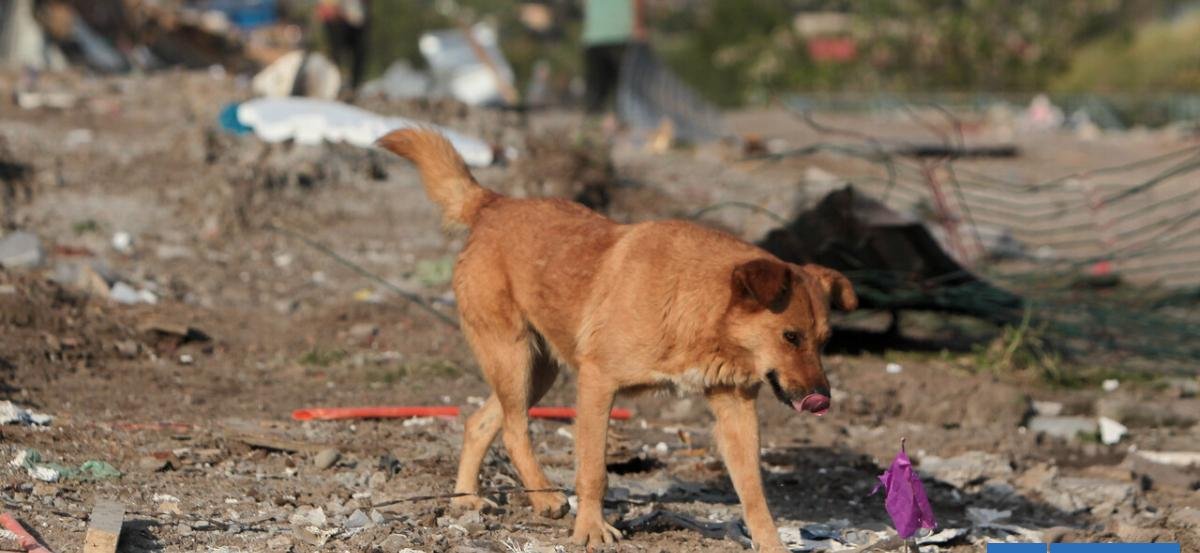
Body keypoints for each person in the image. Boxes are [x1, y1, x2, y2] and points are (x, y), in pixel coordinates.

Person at [581, 0, 646, 115]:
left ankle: (598, 120)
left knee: (599, 91)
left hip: (596, 36)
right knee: (624, 88)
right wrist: (639, 25)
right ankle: (610, 119)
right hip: (619, 35)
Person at [316, 0, 368, 91]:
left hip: (356, 14)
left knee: (359, 51)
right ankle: (334, 85)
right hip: (334, 15)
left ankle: (355, 85)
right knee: (335, 52)